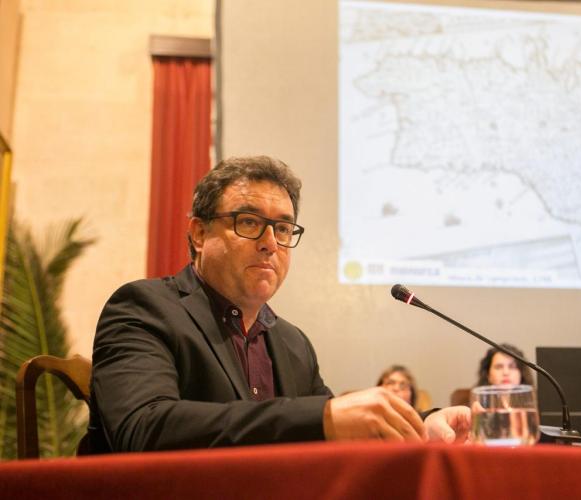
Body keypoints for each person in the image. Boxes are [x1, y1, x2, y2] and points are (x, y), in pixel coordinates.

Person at [88, 156, 469, 452]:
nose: (271, 243)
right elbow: (144, 427)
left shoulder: (291, 342)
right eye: (249, 222)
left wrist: (423, 424)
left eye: (284, 228)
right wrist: (321, 418)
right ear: (199, 233)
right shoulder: (144, 308)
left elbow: (339, 429)